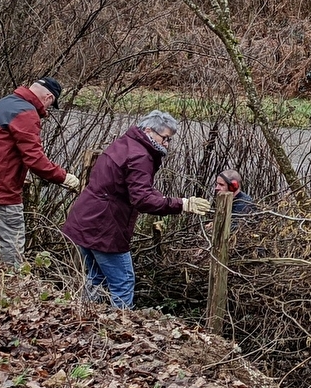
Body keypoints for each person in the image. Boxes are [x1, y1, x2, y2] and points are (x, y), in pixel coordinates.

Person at [61, 111, 210, 307]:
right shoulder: (140, 156)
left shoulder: (125, 143)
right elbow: (142, 199)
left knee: (96, 278)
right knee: (122, 281)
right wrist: (182, 204)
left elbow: (137, 189)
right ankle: (121, 330)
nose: (166, 144)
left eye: (169, 140)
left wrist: (168, 199)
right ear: (149, 131)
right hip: (105, 227)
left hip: (86, 219)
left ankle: (86, 318)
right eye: (165, 138)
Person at [0, 78, 79, 268]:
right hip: (0, 190)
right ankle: (12, 288)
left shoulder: (4, 103)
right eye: (50, 104)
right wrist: (62, 177)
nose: (47, 109)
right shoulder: (26, 113)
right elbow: (34, 158)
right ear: (48, 97)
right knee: (12, 245)